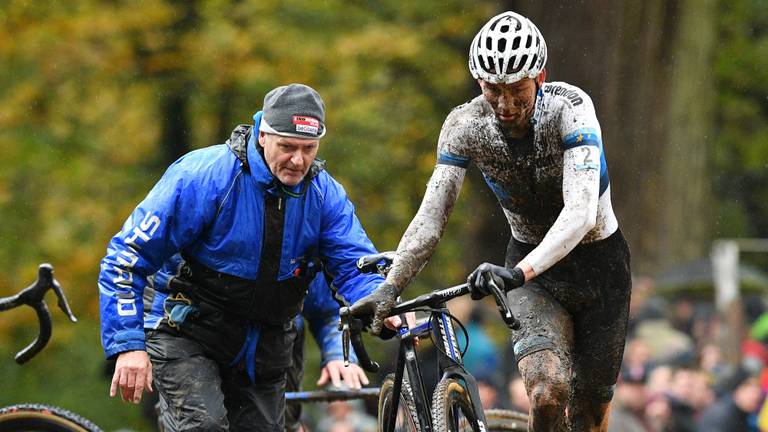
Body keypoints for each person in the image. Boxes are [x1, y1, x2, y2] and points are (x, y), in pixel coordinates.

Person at [350, 11, 632, 432]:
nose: (504, 104)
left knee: (590, 413)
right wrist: (390, 287)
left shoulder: (570, 109)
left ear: (540, 76)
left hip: (598, 264)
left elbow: (580, 213)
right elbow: (431, 219)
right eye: (491, 90)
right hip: (532, 276)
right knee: (545, 392)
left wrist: (519, 272)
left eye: (516, 89)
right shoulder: (464, 124)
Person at [99, 83, 389, 431]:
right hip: (188, 334)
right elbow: (126, 257)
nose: (298, 160)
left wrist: (384, 300)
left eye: (309, 149)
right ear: (263, 134)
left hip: (264, 349)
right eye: (288, 147)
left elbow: (356, 265)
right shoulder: (204, 176)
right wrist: (129, 345)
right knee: (205, 427)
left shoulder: (325, 195)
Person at [285, 273, 370, 431]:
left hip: (281, 379)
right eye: (335, 404)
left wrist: (338, 353)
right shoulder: (324, 425)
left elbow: (328, 313)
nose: (338, 407)